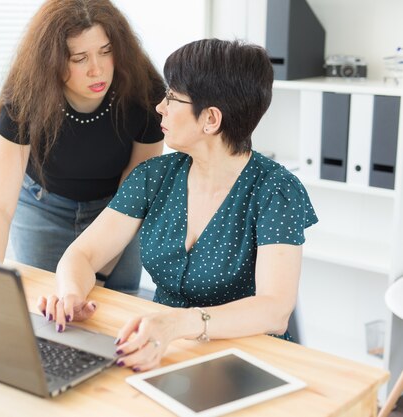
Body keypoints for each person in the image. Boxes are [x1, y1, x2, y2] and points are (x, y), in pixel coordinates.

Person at [37, 38, 318, 372]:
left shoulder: (275, 191)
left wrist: (178, 324)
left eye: (172, 97)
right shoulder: (155, 176)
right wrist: (71, 294)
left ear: (210, 119)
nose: (160, 107)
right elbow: (83, 254)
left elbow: (275, 311)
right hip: (166, 349)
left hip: (247, 360)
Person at [0, 0, 164, 294]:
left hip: (116, 211)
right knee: (44, 310)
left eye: (106, 51)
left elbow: (134, 198)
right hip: (43, 207)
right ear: (51, 61)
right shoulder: (25, 100)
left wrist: (95, 275)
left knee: (115, 305)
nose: (97, 69)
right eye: (79, 58)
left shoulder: (145, 96)